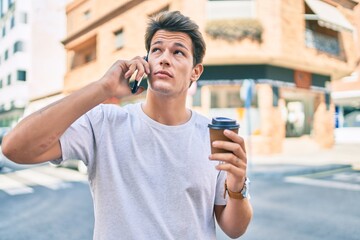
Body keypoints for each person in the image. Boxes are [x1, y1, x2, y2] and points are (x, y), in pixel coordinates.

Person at [2, 11, 252, 239]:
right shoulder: (105, 122)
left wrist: (237, 184)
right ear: (146, 61)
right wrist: (104, 88)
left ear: (195, 71)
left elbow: (234, 228)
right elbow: (15, 147)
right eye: (157, 50)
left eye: (178, 52)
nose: (164, 59)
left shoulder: (212, 134)